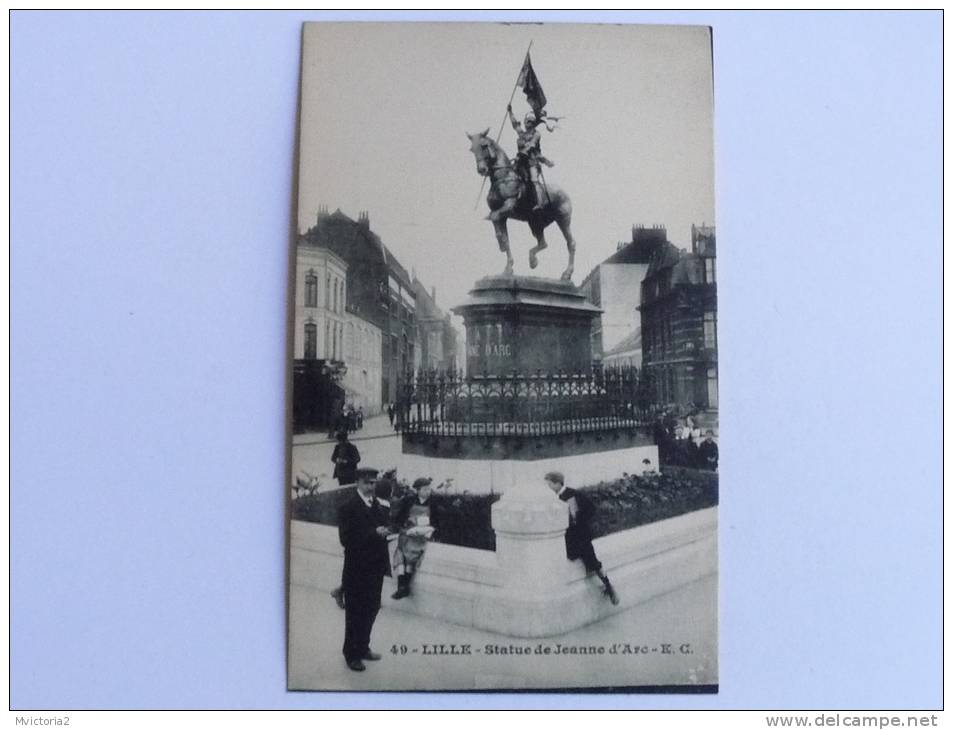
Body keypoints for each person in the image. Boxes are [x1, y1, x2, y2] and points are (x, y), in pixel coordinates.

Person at [337, 467, 392, 672]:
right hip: (356, 569)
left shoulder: (377, 504)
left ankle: (363, 647)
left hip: (375, 567)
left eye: (374, 483)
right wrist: (373, 533)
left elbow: (383, 526)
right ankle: (350, 654)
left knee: (372, 607)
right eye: (368, 483)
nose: (372, 486)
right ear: (358, 483)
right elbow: (346, 539)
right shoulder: (348, 507)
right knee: (355, 612)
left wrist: (386, 530)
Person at [544, 471, 619, 605]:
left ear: (557, 483)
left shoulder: (570, 495)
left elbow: (584, 512)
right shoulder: (556, 497)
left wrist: (580, 523)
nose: (548, 487)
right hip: (569, 537)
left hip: (580, 536)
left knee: (593, 562)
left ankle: (609, 586)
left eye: (549, 484)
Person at [390, 477, 439, 600]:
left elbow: (437, 522)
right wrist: (405, 525)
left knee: (412, 552)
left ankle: (404, 586)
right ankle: (402, 586)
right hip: (409, 531)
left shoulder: (434, 502)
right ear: (418, 490)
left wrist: (430, 530)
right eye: (425, 489)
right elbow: (400, 517)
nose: (428, 492)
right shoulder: (409, 500)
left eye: (429, 489)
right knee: (401, 551)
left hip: (423, 534)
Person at [507, 104, 554, 211]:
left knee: (534, 180)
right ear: (525, 122)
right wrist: (510, 112)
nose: (529, 124)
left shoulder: (536, 134)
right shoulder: (522, 134)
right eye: (528, 121)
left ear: (534, 123)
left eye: (531, 122)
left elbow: (531, 145)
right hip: (521, 162)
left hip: (532, 161)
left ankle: (540, 203)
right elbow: (515, 125)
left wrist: (523, 152)